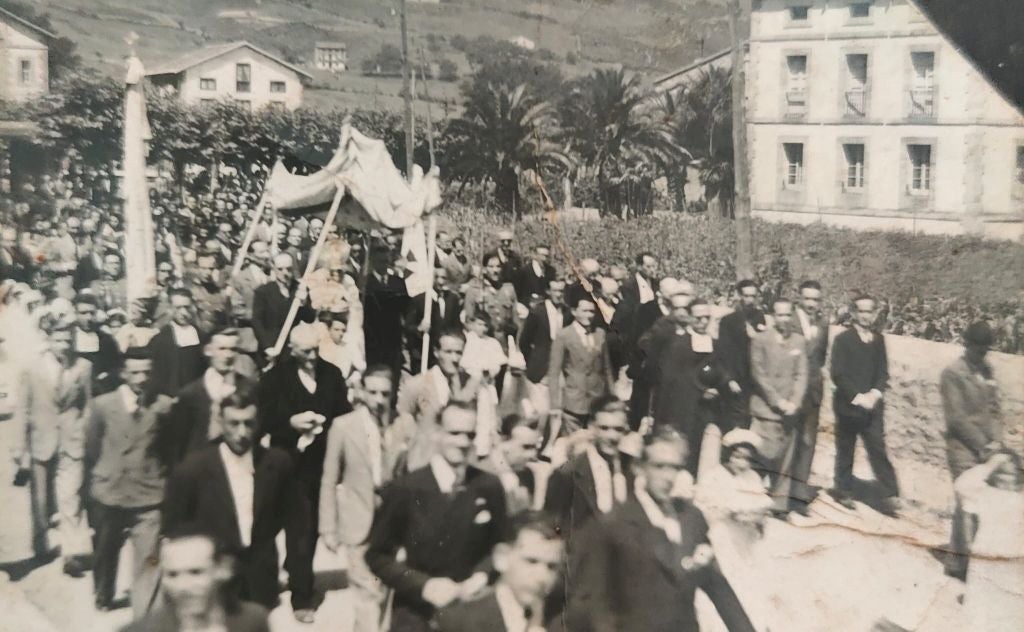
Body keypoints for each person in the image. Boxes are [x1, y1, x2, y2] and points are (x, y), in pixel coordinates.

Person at [567, 427, 755, 632]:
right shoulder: (615, 524)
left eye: (674, 468)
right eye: (659, 466)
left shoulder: (692, 519)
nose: (667, 476)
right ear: (640, 467)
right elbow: (594, 603)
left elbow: (718, 588)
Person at [366, 401, 508, 632]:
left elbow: (502, 544)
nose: (463, 442)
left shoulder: (488, 486)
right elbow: (376, 556)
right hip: (416, 613)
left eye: (469, 434)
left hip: (471, 611)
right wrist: (424, 585)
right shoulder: (406, 488)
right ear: (436, 433)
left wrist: (482, 575)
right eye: (454, 433)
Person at [162, 385, 297, 610]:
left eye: (249, 423)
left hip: (260, 578)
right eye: (234, 423)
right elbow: (174, 528)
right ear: (220, 422)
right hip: (214, 576)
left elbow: (294, 519)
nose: (241, 433)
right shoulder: (193, 469)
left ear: (258, 422)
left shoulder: (277, 462)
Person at [257, 322, 351, 623]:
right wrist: (291, 423)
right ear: (292, 350)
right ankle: (268, 579)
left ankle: (302, 594)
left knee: (305, 529)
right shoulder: (275, 378)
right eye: (306, 352)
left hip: (317, 465)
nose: (312, 357)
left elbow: (344, 414)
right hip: (284, 463)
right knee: (272, 526)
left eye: (315, 350)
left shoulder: (331, 375)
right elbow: (262, 419)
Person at [319, 366, 412, 632]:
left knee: (385, 593)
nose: (379, 400)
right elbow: (328, 479)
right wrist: (328, 528)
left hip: (393, 526)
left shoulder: (403, 424)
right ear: (361, 392)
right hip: (357, 522)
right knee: (367, 595)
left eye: (385, 393)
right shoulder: (343, 426)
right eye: (372, 392)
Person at [85, 346, 174, 617]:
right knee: (105, 550)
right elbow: (91, 448)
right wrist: (92, 486)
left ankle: (144, 618)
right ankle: (103, 591)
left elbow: (171, 449)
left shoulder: (164, 406)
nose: (141, 378)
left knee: (148, 561)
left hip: (148, 494)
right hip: (109, 492)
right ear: (123, 373)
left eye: (147, 372)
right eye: (135, 372)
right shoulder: (102, 405)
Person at [12, 315, 93, 575]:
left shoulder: (83, 367)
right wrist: (18, 447)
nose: (63, 345)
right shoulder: (32, 368)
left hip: (72, 440)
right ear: (48, 340)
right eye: (58, 340)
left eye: (67, 340)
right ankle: (41, 545)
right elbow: (22, 409)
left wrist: (85, 431)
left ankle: (73, 553)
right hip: (41, 440)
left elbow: (88, 405)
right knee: (40, 501)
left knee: (71, 498)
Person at [939, 320, 1004, 580]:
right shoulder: (953, 373)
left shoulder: (987, 371)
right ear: (967, 345)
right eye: (978, 349)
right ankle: (962, 564)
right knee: (967, 504)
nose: (982, 354)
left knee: (981, 505)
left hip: (989, 449)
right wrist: (983, 445)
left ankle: (960, 558)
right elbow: (957, 418)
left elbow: (996, 410)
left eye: (985, 349)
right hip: (962, 449)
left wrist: (997, 442)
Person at [695, 428, 774, 631]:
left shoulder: (753, 478)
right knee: (724, 577)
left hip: (744, 537)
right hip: (722, 534)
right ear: (728, 455)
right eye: (737, 457)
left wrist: (757, 518)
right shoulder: (714, 477)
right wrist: (729, 512)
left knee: (746, 580)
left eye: (746, 459)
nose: (741, 463)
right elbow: (705, 509)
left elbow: (760, 504)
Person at [433, 512, 565, 632]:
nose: (542, 577)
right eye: (531, 561)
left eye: (552, 567)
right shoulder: (459, 622)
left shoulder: (563, 623)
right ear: (501, 558)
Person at [830, 294, 900, 515]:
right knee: (846, 448)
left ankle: (890, 493)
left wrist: (875, 393)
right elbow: (838, 374)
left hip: (873, 406)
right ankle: (843, 490)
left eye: (870, 311)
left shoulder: (879, 340)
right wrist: (858, 397)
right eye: (861, 311)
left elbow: (883, 371)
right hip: (849, 406)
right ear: (853, 313)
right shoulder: (843, 340)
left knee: (877, 446)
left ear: (875, 314)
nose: (866, 316)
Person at [119, 531, 271, 632]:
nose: (183, 586)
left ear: (223, 570)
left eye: (196, 572)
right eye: (172, 575)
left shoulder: (252, 621)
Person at [643, 297, 721, 472]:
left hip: (704, 409)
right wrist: (702, 390)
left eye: (706, 318)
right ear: (689, 318)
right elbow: (674, 379)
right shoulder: (678, 344)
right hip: (682, 407)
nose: (703, 322)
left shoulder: (713, 343)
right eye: (698, 317)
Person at [544, 396, 634, 547]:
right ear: (592, 428)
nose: (612, 436)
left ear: (625, 429)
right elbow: (553, 528)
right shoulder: (568, 473)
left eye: (618, 429)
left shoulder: (632, 468)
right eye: (604, 428)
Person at [749, 297, 808, 513]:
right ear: (772, 316)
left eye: (787, 314)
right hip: (765, 409)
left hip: (790, 411)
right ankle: (753, 500)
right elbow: (759, 375)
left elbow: (801, 374)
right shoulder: (760, 340)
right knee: (763, 456)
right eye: (779, 314)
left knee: (785, 460)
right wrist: (778, 401)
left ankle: (779, 506)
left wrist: (794, 402)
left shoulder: (799, 341)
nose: (784, 319)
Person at [954, 452, 1024, 632]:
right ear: (993, 477)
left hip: (1014, 560)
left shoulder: (1020, 498)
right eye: (1003, 474)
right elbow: (962, 484)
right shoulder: (985, 494)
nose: (1009, 480)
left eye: (1015, 474)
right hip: (985, 557)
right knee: (980, 610)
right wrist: (991, 464)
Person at [396, 328, 481, 471]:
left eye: (458, 352)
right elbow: (403, 424)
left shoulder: (471, 385)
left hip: (460, 464)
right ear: (437, 352)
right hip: (424, 464)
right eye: (448, 352)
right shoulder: (417, 384)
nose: (454, 358)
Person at [160, 328, 247, 466]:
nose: (228, 355)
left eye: (233, 349)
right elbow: (178, 443)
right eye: (222, 349)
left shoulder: (248, 389)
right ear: (208, 350)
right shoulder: (190, 394)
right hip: (200, 469)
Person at [785, 280, 830, 516]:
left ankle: (799, 495)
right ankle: (781, 494)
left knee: (808, 442)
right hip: (791, 389)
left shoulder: (824, 323)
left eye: (816, 299)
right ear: (799, 298)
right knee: (788, 440)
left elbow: (821, 357)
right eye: (808, 299)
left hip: (812, 391)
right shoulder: (789, 320)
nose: (812, 304)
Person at [547, 295, 614, 436]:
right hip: (574, 400)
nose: (589, 315)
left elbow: (607, 369)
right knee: (574, 445)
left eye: (591, 311)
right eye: (584, 311)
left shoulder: (600, 334)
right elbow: (554, 373)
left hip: (597, 399)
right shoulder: (564, 335)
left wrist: (612, 397)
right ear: (574, 311)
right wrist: (554, 405)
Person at [717, 280, 767, 431]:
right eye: (746, 296)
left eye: (753, 296)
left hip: (753, 380)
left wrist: (756, 337)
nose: (750, 300)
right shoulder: (727, 321)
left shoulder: (760, 317)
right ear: (739, 296)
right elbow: (723, 353)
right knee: (732, 421)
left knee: (749, 421)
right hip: (735, 379)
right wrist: (730, 379)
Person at [518, 280, 570, 420]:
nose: (559, 294)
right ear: (548, 292)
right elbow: (524, 341)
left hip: (560, 370)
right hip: (540, 368)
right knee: (541, 410)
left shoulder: (567, 312)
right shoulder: (538, 312)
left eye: (561, 291)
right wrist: (533, 361)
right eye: (555, 291)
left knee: (558, 410)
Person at [251, 252, 314, 363]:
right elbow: (257, 321)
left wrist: (304, 303)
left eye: (288, 269)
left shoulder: (300, 289)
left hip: (294, 347)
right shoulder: (263, 291)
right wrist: (267, 346)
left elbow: (310, 319)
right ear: (274, 269)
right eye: (280, 269)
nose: (285, 273)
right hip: (272, 349)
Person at [146, 287, 208, 397]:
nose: (183, 312)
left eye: (187, 307)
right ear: (170, 309)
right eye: (178, 308)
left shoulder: (201, 337)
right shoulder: (160, 340)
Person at [363, 245, 410, 379]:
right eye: (380, 261)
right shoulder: (365, 282)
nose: (383, 265)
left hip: (393, 337)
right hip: (372, 337)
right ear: (373, 262)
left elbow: (406, 309)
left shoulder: (398, 283)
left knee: (393, 375)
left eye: (385, 261)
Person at [405, 267, 461, 374]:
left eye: (443, 278)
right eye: (437, 277)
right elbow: (408, 327)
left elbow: (457, 326)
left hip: (443, 354)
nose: (440, 281)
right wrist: (419, 328)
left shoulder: (452, 299)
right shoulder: (419, 300)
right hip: (423, 354)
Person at [464, 253, 519, 349]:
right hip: (482, 343)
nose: (495, 270)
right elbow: (469, 321)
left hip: (503, 343)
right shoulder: (474, 290)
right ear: (484, 269)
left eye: (498, 267)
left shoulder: (509, 289)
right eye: (491, 267)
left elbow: (515, 321)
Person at [72, 291, 121, 395]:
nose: (89, 318)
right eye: (83, 313)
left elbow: (118, 368)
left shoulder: (106, 340)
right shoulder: (70, 339)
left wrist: (106, 378)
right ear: (75, 313)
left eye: (92, 313)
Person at [190, 251, 232, 336]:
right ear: (196, 268)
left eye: (211, 268)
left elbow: (227, 320)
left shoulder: (220, 291)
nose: (208, 273)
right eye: (203, 268)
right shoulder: (188, 289)